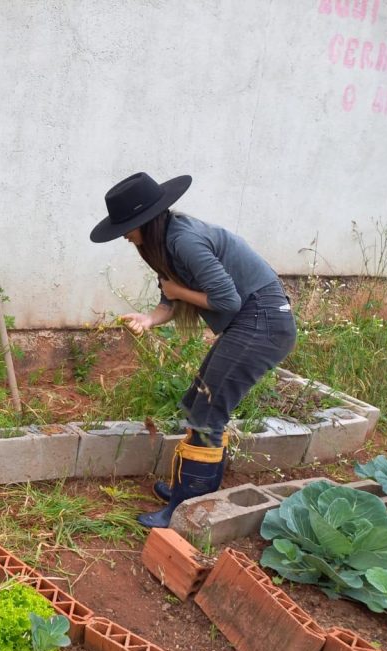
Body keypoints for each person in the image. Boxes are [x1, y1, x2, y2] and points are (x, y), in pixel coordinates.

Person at [90, 172, 296, 528]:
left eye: (127, 227)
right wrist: (149, 319)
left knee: (208, 412)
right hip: (253, 321)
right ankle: (188, 491)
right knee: (197, 402)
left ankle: (186, 510)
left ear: (145, 220)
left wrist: (178, 293)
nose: (124, 235)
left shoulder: (184, 240)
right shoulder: (163, 243)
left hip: (264, 322)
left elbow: (226, 300)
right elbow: (168, 299)